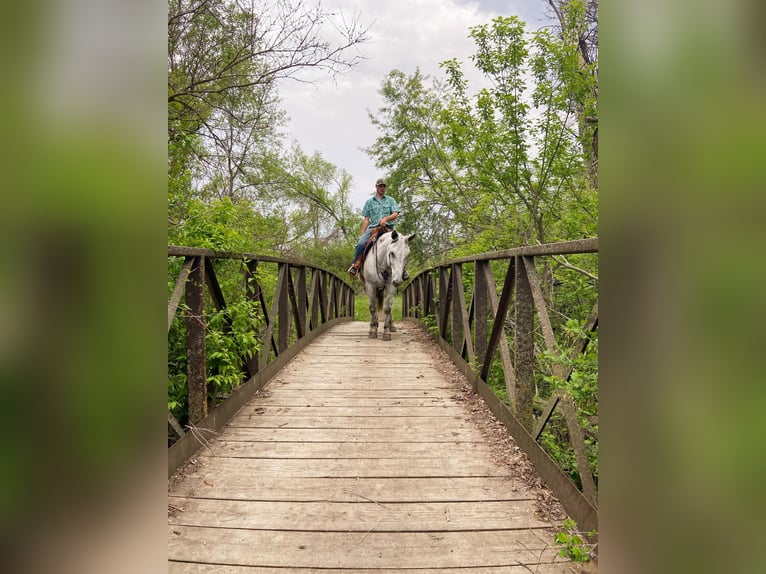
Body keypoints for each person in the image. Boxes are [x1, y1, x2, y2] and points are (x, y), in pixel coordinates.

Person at [348, 177, 409, 280]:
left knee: (400, 243)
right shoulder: (369, 202)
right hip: (373, 228)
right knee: (361, 243)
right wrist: (362, 234)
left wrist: (386, 218)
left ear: (385, 188)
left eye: (384, 186)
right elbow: (366, 219)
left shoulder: (390, 200)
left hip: (388, 228)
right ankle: (356, 265)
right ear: (376, 187)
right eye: (380, 186)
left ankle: (403, 269)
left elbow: (395, 214)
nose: (382, 188)